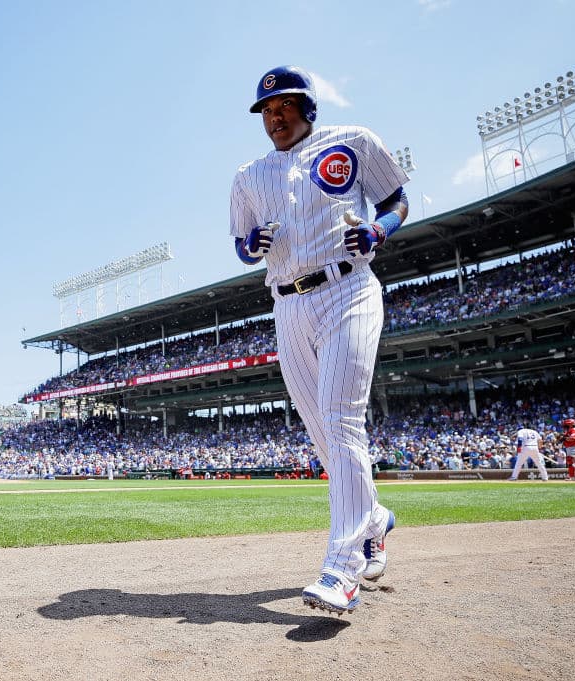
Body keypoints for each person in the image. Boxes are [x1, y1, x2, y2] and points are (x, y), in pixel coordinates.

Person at [229, 65, 409, 615]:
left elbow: (396, 199)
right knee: (321, 431)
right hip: (287, 303)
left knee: (340, 419)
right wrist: (251, 245)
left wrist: (380, 229)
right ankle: (373, 517)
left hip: (347, 288)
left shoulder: (353, 141)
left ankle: (343, 568)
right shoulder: (248, 176)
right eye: (266, 111)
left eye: (284, 105)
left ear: (307, 106)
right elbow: (240, 245)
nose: (274, 117)